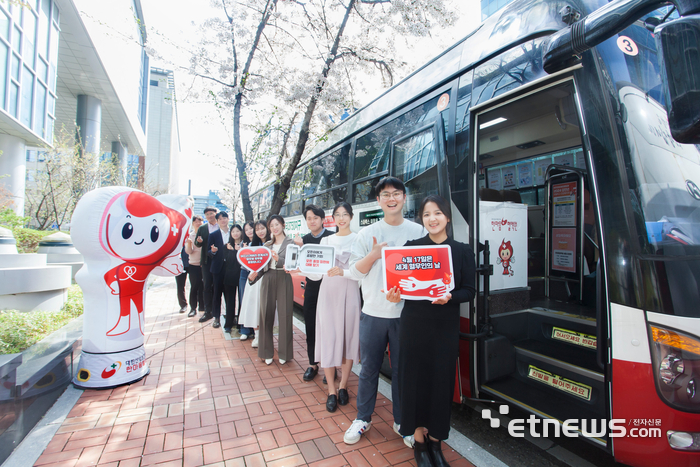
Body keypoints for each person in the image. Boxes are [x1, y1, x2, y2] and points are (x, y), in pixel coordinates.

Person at [387, 195, 476, 467]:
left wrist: (450, 296)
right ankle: (419, 441)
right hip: (413, 326)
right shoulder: (411, 248)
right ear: (422, 219)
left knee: (440, 382)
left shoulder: (461, 251)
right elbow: (399, 286)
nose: (432, 219)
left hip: (443, 329)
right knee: (412, 381)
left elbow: (469, 291)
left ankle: (436, 441)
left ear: (447, 218)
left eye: (438, 213)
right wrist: (394, 295)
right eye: (427, 214)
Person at [343, 176, 425, 447]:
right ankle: (363, 418)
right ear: (378, 201)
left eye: (397, 194)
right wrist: (375, 254)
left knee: (404, 371)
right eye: (386, 195)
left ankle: (403, 422)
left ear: (404, 198)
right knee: (368, 370)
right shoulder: (367, 234)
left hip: (406, 316)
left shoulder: (417, 231)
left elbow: (425, 272)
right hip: (374, 314)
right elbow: (354, 273)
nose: (392, 199)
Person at [305, 202, 361, 412]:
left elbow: (360, 272)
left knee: (347, 339)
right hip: (327, 294)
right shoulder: (326, 240)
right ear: (333, 218)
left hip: (350, 293)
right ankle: (331, 390)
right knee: (328, 339)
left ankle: (344, 385)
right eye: (337, 215)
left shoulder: (359, 239)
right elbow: (316, 272)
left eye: (345, 214)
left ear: (351, 216)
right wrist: (300, 269)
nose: (341, 218)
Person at [294, 204, 334, 382]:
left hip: (330, 288)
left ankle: (330, 367)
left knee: (329, 328)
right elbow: (297, 264)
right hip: (311, 288)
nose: (312, 221)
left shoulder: (332, 237)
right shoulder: (303, 239)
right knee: (311, 325)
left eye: (315, 218)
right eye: (309, 218)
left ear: (323, 219)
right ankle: (313, 364)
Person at [257, 215, 295, 365]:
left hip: (284, 278)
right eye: (271, 225)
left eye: (277, 224)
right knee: (266, 314)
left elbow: (293, 263)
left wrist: (279, 260)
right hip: (268, 278)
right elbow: (261, 266)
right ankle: (266, 352)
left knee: (285, 314)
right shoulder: (267, 245)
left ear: (283, 225)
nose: (274, 228)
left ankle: (285, 352)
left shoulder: (292, 243)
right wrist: (253, 275)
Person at [239, 220, 270, 348]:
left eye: (262, 228)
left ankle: (266, 336)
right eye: (257, 229)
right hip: (254, 280)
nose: (260, 231)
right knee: (253, 307)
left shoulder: (271, 243)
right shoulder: (252, 245)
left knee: (266, 309)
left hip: (267, 279)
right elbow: (245, 265)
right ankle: (257, 337)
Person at [194, 207, 218, 322]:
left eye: (211, 213)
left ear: (215, 214)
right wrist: (198, 242)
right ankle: (208, 312)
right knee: (207, 286)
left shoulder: (220, 226)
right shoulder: (202, 228)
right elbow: (197, 244)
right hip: (206, 261)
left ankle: (216, 311)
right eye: (207, 214)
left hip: (219, 261)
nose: (209, 216)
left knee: (218, 286)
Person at [207, 212, 230, 329]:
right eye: (220, 219)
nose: (223, 220)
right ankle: (216, 317)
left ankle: (230, 317)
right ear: (217, 221)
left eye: (224, 218)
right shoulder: (213, 235)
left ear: (228, 219)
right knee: (217, 293)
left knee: (230, 294)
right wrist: (213, 251)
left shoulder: (234, 233)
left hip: (231, 269)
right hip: (218, 269)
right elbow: (208, 252)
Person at [223, 224, 244, 333]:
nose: (235, 233)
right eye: (233, 232)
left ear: (241, 232)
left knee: (242, 301)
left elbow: (243, 260)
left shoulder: (245, 244)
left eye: (237, 231)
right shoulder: (227, 246)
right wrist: (232, 251)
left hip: (242, 276)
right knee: (230, 301)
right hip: (229, 276)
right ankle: (229, 323)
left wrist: (238, 251)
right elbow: (227, 261)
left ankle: (241, 324)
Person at [238, 222, 256, 340]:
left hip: (256, 274)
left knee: (254, 301)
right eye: (246, 229)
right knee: (243, 299)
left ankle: (255, 329)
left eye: (251, 228)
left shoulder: (260, 243)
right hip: (244, 273)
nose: (249, 231)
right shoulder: (243, 244)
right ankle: (244, 330)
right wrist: (243, 251)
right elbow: (240, 261)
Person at [185, 215, 205, 317]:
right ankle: (193, 308)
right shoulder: (190, 236)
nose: (198, 223)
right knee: (194, 286)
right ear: (192, 223)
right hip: (193, 265)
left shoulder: (206, 234)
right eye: (196, 221)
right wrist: (189, 244)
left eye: (200, 221)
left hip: (204, 265)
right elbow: (189, 251)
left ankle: (203, 306)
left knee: (204, 286)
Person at [175, 243, 190, 313]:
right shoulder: (176, 237)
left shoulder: (190, 234)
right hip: (179, 265)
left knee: (196, 284)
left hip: (191, 262)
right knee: (180, 286)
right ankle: (183, 305)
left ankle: (198, 305)